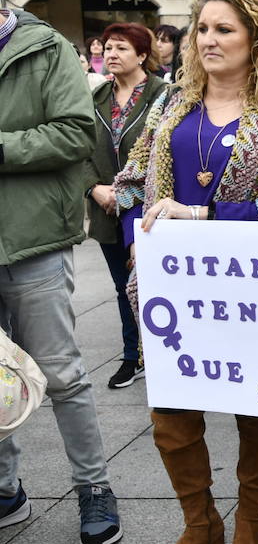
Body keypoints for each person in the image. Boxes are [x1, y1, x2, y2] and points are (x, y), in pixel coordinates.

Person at [114, 0, 258, 544]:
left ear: (256, 40)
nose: (209, 40)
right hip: (172, 289)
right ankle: (199, 523)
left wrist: (203, 215)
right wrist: (138, 238)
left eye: (225, 29)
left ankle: (250, 519)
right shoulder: (171, 107)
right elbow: (130, 182)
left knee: (254, 408)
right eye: (203, 29)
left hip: (246, 292)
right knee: (172, 417)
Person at [0, 6, 123, 544]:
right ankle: (6, 490)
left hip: (34, 240)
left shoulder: (43, 46)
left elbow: (76, 135)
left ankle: (94, 488)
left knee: (63, 376)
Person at [83, 22, 169, 389]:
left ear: (143, 55)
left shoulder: (163, 95)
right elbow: (79, 148)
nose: (110, 55)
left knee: (157, 283)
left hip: (149, 209)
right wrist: (94, 188)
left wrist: (131, 193)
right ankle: (132, 357)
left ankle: (167, 354)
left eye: (120, 49)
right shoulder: (97, 96)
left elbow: (165, 153)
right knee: (123, 287)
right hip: (107, 209)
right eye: (107, 48)